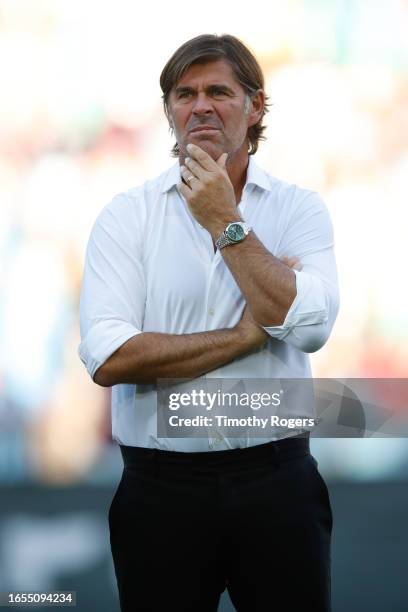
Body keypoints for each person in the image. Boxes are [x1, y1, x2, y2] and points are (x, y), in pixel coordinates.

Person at [78, 34, 339, 612]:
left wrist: (226, 221)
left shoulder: (298, 208)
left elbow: (312, 326)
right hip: (160, 489)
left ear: (255, 107)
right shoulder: (127, 216)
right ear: (169, 111)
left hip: (277, 481)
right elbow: (109, 357)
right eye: (184, 93)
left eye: (219, 91)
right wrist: (249, 333)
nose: (200, 106)